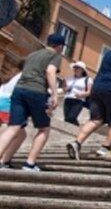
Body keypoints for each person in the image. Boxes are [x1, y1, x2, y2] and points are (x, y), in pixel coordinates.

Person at [0, 33, 65, 171]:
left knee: (13, 128)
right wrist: (54, 94)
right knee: (44, 129)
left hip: (19, 91)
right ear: (59, 46)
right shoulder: (55, 56)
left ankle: (2, 161)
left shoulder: (32, 55)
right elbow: (50, 71)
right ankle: (30, 163)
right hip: (36, 91)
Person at [67, 35, 111, 160]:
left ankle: (77, 143)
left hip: (97, 88)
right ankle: (105, 148)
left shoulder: (109, 54)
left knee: (96, 119)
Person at [62, 61, 92, 126]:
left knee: (72, 117)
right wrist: (65, 88)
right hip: (68, 98)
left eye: (77, 68)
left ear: (82, 70)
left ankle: (78, 127)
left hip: (78, 100)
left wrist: (82, 94)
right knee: (66, 118)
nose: (75, 69)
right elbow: (65, 90)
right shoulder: (70, 78)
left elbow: (89, 92)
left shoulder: (87, 79)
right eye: (74, 67)